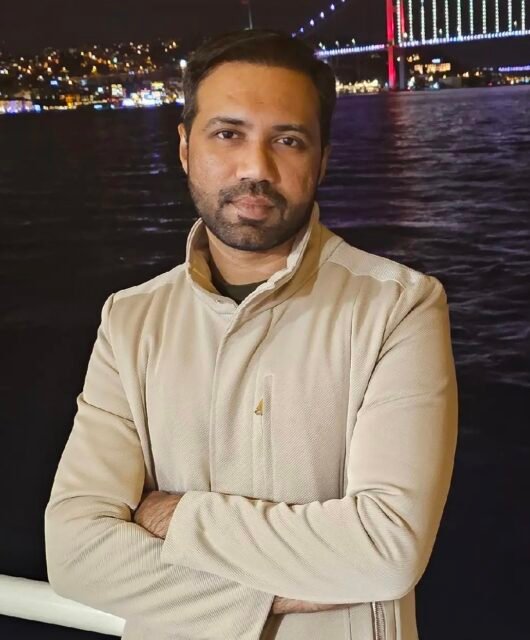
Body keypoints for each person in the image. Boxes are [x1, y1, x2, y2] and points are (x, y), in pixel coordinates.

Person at [44, 29, 458, 640]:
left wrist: (175, 515)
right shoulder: (130, 320)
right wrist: (303, 583)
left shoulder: (396, 306)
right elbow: (75, 554)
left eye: (288, 140)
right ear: (185, 148)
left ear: (322, 159)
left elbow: (386, 550)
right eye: (227, 134)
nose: (256, 169)